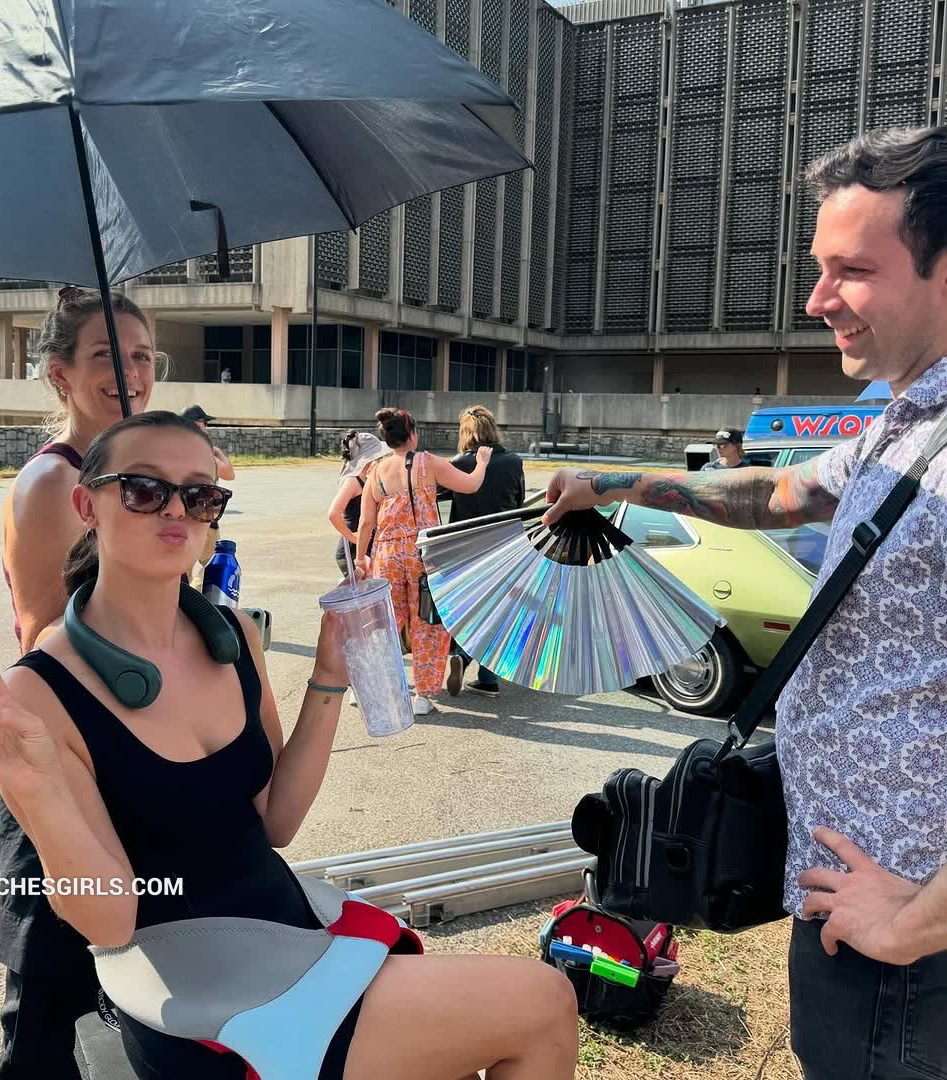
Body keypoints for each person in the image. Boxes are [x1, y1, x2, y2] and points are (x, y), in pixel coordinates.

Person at [0, 411, 579, 1080]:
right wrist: (34, 794)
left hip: (288, 933)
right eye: (145, 489)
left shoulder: (232, 635)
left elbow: (277, 821)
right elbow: (110, 923)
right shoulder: (40, 691)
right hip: (203, 1000)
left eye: (200, 494)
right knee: (544, 1003)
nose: (176, 509)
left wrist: (328, 675)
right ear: (87, 505)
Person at [542, 126, 947, 1080]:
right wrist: (617, 482)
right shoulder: (908, 421)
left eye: (853, 271)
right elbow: (781, 492)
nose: (817, 300)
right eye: (819, 267)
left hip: (909, 945)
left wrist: (916, 921)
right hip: (850, 899)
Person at [0, 286, 157, 1080]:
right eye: (106, 356)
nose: (130, 373)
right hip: (58, 760)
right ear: (60, 375)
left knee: (127, 993)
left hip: (125, 749)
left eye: (142, 356)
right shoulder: (53, 486)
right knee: (51, 1003)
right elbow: (41, 643)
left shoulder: (134, 478)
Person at [355, 408, 492, 716]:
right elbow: (470, 485)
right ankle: (423, 696)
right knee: (427, 623)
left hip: (386, 555)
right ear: (412, 434)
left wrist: (361, 558)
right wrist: (482, 462)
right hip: (423, 554)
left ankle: (381, 688)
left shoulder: (375, 471)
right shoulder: (428, 463)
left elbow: (366, 522)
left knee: (385, 624)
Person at [439, 406, 525, 698]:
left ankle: (462, 656)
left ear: (466, 432)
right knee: (497, 611)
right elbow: (518, 502)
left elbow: (439, 495)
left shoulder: (460, 462)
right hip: (505, 547)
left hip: (465, 549)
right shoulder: (514, 462)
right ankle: (488, 678)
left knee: (468, 608)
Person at [179, 404, 234, 588]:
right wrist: (217, 452)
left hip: (183, 514)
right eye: (205, 423)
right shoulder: (202, 450)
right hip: (203, 515)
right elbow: (228, 473)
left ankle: (182, 596)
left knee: (182, 566)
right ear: (195, 424)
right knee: (211, 562)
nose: (207, 428)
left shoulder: (175, 448)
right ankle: (195, 593)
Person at [328, 430, 391, 577]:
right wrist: (352, 537)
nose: (380, 459)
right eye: (378, 456)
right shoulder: (352, 481)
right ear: (368, 457)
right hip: (351, 551)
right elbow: (333, 514)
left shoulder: (366, 477)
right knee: (361, 589)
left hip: (364, 548)